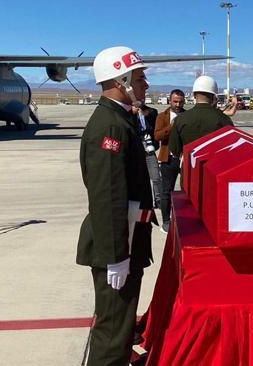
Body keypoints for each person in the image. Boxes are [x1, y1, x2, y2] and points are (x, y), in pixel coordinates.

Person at [76, 46, 154, 365]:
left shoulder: (121, 119)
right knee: (113, 333)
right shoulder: (111, 126)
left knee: (120, 328)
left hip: (126, 239)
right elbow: (108, 195)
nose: (145, 85)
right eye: (140, 78)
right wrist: (116, 256)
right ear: (121, 81)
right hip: (117, 244)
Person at [168, 75, 234, 160]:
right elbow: (231, 147)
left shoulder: (180, 119)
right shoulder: (224, 119)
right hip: (215, 168)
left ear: (194, 95)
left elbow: (175, 149)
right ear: (213, 96)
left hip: (190, 168)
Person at [155, 89, 186, 232]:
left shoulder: (187, 116)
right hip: (168, 159)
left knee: (186, 190)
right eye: (175, 101)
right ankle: (166, 221)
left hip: (183, 159)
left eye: (180, 101)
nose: (178, 104)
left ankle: (184, 218)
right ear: (170, 100)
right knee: (167, 191)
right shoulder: (162, 116)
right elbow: (157, 136)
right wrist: (171, 126)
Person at [136, 102, 161, 210]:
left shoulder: (151, 112)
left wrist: (141, 107)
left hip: (149, 150)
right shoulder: (129, 114)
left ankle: (158, 200)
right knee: (139, 179)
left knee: (156, 177)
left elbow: (153, 114)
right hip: (137, 151)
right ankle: (143, 201)